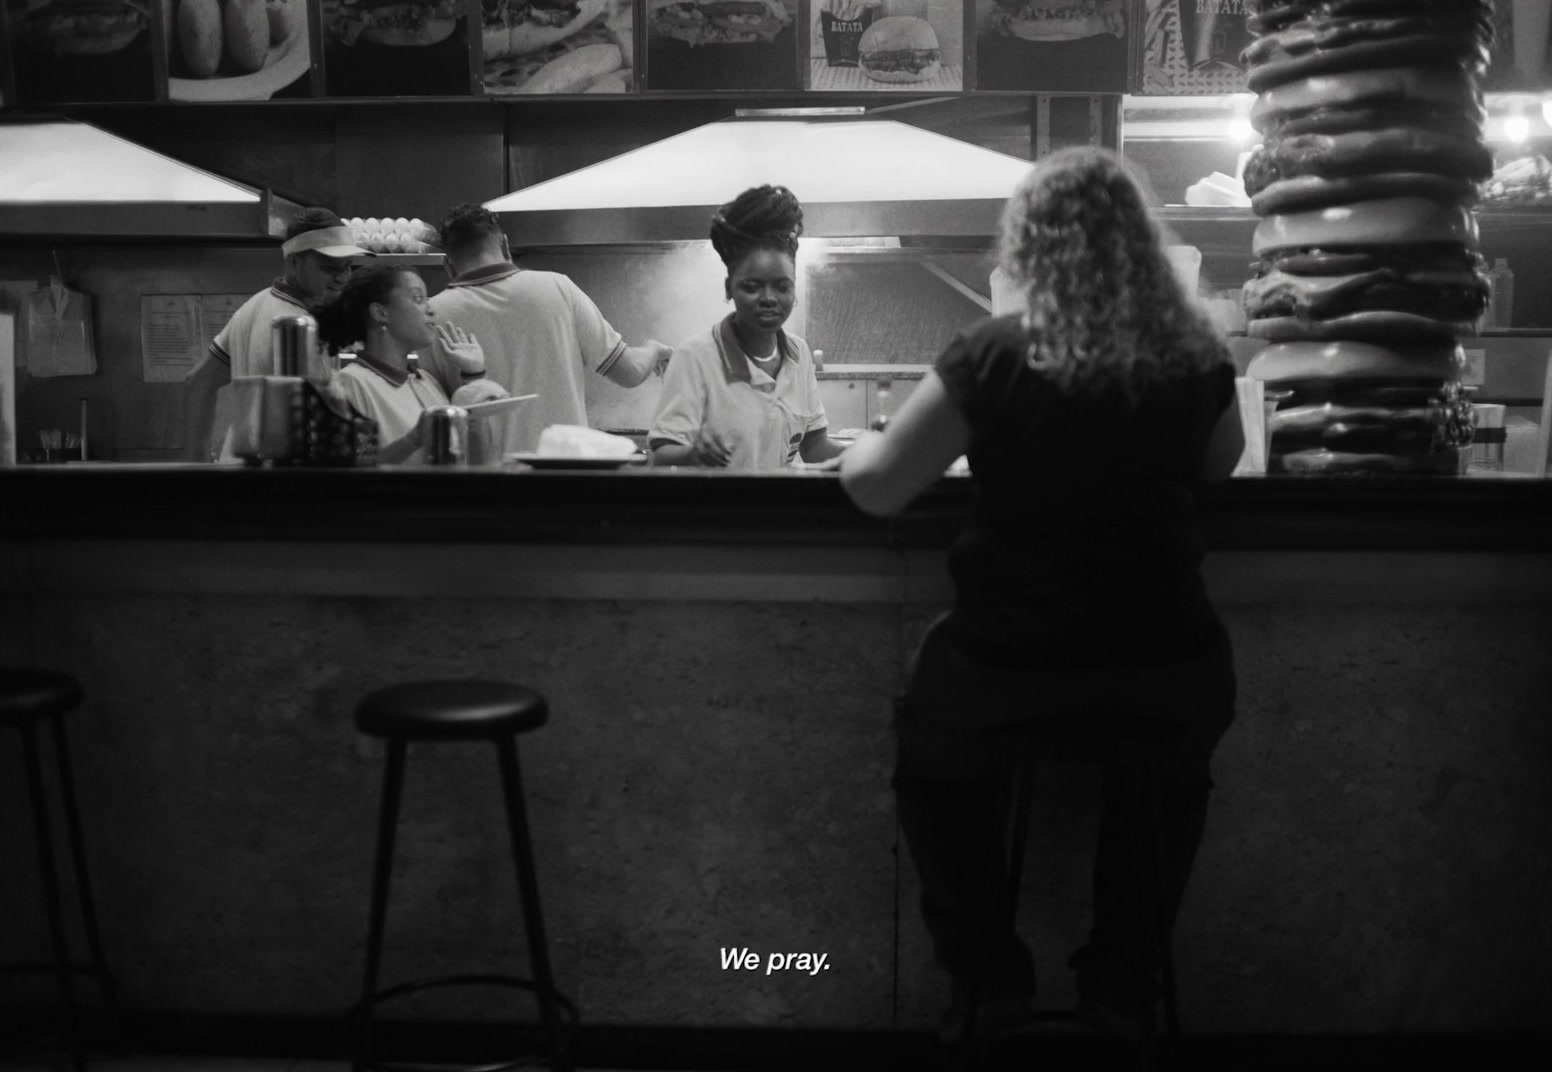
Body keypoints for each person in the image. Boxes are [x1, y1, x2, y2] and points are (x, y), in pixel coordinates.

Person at [839, 147, 1246, 1046]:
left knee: (931, 762)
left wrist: (853, 448)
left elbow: (878, 487)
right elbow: (1218, 463)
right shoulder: (1196, 351)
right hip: (1168, 664)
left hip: (1008, 667)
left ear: (1029, 247)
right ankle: (1120, 984)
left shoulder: (995, 351)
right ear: (1145, 243)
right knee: (1171, 776)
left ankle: (988, 982)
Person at [420, 203, 673, 457]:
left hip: (486, 482)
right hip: (563, 475)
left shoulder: (431, 315)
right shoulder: (558, 288)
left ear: (447, 264)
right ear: (505, 245)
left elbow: (430, 416)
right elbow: (629, 372)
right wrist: (654, 349)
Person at [649, 185, 847, 469]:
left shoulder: (798, 353)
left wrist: (868, 450)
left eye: (781, 286)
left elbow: (814, 446)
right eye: (752, 286)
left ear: (794, 291)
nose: (769, 299)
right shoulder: (694, 357)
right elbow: (660, 456)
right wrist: (693, 453)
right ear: (729, 288)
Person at [184, 207, 369, 461]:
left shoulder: (253, 305)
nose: (342, 278)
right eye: (329, 267)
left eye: (348, 267)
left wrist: (196, 466)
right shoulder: (300, 327)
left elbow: (199, 381)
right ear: (294, 262)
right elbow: (307, 423)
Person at [314, 264, 505, 465]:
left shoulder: (427, 381)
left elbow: (478, 460)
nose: (430, 309)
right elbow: (355, 468)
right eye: (418, 298)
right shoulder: (352, 383)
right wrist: (412, 440)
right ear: (380, 313)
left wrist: (474, 376)